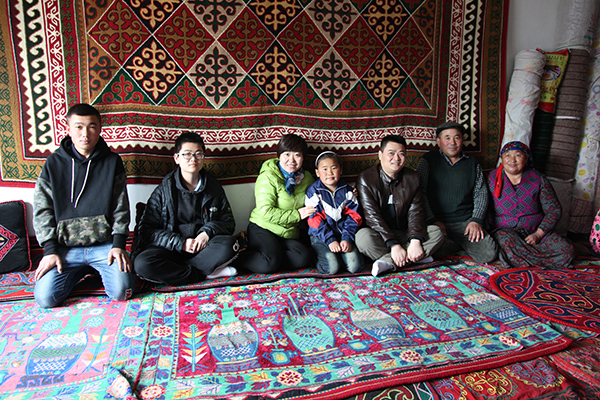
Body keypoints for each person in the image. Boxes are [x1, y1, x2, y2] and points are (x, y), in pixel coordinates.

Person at [33, 103, 135, 308]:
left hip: (104, 247)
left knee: (121, 292)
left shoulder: (112, 161)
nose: (85, 134)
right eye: (79, 127)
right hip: (66, 249)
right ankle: (80, 272)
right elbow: (42, 209)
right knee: (45, 299)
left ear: (99, 128)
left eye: (92, 127)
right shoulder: (53, 163)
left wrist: (118, 245)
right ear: (68, 129)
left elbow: (121, 206)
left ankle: (97, 269)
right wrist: (50, 250)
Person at [132, 132, 238, 286]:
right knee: (142, 264)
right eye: (187, 154)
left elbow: (228, 222)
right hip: (171, 250)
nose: (193, 159)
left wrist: (206, 233)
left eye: (198, 154)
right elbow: (147, 231)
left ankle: (182, 272)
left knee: (230, 245)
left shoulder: (214, 187)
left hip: (203, 249)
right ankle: (204, 274)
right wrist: (180, 243)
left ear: (203, 157)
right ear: (177, 158)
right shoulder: (163, 191)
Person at [355, 134, 444, 276]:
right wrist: (393, 245)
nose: (396, 158)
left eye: (401, 154)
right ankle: (415, 258)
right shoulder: (366, 178)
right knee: (362, 238)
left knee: (436, 232)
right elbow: (372, 217)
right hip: (380, 235)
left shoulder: (413, 177)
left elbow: (416, 212)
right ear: (380, 155)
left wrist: (415, 240)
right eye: (391, 153)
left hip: (404, 232)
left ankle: (388, 262)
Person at [416, 121, 498, 263]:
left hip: (464, 222)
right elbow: (419, 193)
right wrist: (432, 220)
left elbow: (481, 193)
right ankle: (456, 244)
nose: (452, 142)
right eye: (447, 138)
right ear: (438, 141)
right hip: (436, 223)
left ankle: (456, 243)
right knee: (421, 251)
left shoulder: (472, 163)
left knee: (488, 254)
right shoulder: (428, 160)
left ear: (462, 140)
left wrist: (476, 220)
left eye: (457, 137)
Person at [234, 134, 316, 274]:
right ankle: (236, 258)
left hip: (287, 232)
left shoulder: (307, 178)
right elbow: (266, 212)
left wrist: (346, 192)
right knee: (269, 264)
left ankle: (272, 257)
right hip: (263, 227)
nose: (291, 160)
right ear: (279, 155)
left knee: (303, 257)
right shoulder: (268, 176)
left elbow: (320, 193)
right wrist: (296, 215)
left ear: (303, 157)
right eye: (287, 154)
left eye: (297, 155)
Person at [487, 141, 575, 269]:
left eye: (518, 155)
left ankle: (524, 260)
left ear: (526, 158)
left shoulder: (538, 178)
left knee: (567, 250)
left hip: (535, 229)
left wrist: (538, 234)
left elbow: (553, 210)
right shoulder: (491, 178)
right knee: (507, 243)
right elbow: (484, 207)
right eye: (508, 155)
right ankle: (542, 260)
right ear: (501, 159)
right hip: (506, 231)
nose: (512, 160)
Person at [305, 151, 364, 274]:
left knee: (355, 267)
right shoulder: (313, 192)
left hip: (343, 234)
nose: (330, 173)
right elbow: (315, 219)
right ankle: (318, 257)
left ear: (341, 170)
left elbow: (354, 216)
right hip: (321, 236)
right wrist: (330, 240)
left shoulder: (348, 191)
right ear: (317, 172)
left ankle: (340, 256)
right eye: (325, 169)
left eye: (334, 168)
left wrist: (346, 238)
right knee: (332, 268)